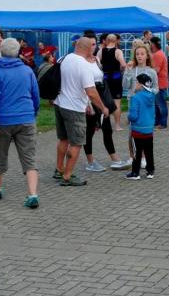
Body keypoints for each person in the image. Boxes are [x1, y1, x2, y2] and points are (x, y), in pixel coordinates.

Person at [0, 38, 41, 208]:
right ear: (18, 52)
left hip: (3, 120)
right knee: (29, 157)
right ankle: (32, 194)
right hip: (26, 118)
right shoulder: (27, 71)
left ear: (1, 51)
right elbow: (35, 95)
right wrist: (33, 112)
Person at [53, 36, 109, 186]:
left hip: (60, 104)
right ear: (89, 48)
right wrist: (103, 107)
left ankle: (59, 169)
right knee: (76, 143)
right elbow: (91, 92)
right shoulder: (84, 65)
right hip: (74, 107)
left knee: (63, 139)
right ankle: (67, 176)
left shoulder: (66, 58)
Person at [83, 43, 129, 172]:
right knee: (90, 131)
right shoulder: (81, 62)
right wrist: (87, 103)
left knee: (107, 129)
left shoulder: (97, 60)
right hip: (89, 97)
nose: (92, 47)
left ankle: (115, 159)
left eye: (94, 44)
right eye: (90, 44)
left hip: (101, 96)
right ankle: (90, 161)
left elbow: (101, 78)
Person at [123, 40, 159, 168]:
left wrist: (145, 90)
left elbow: (156, 88)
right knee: (131, 131)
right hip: (133, 103)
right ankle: (132, 157)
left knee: (144, 132)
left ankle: (143, 157)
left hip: (147, 106)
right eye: (137, 54)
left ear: (147, 56)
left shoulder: (152, 72)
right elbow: (125, 86)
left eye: (142, 54)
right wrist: (127, 71)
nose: (139, 56)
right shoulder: (132, 70)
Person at [125, 74, 157, 180]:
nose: (135, 84)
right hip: (149, 129)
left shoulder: (136, 97)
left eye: (137, 82)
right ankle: (150, 171)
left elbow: (133, 116)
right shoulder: (152, 96)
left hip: (137, 130)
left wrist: (128, 117)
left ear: (141, 85)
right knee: (149, 151)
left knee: (137, 152)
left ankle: (135, 173)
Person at [97, 34, 127, 131]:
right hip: (115, 78)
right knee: (117, 102)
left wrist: (102, 68)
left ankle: (102, 125)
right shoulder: (118, 51)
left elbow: (96, 64)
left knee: (103, 101)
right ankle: (117, 126)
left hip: (105, 78)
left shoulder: (101, 51)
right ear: (116, 41)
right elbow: (123, 64)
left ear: (106, 41)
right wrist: (121, 69)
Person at [149, 36, 169, 128]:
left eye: (150, 43)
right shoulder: (158, 53)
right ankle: (157, 122)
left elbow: (156, 70)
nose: (149, 45)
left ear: (153, 44)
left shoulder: (158, 55)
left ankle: (163, 123)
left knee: (161, 104)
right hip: (159, 82)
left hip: (159, 82)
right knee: (157, 104)